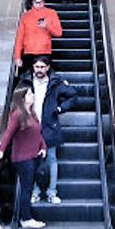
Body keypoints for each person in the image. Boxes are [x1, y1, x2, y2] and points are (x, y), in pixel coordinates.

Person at [17, 55, 77, 204]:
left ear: (48, 68)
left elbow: (73, 95)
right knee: (32, 161)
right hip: (30, 126)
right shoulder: (26, 81)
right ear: (33, 67)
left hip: (49, 126)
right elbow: (16, 98)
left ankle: (51, 192)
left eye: (42, 67)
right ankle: (35, 192)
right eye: (37, 67)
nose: (39, 70)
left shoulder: (55, 82)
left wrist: (60, 108)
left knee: (51, 160)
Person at [0, 86, 47, 229]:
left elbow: (37, 133)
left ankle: (25, 217)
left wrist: (43, 147)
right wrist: (1, 150)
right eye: (29, 94)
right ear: (22, 99)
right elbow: (8, 133)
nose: (33, 95)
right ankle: (26, 218)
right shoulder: (17, 114)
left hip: (33, 157)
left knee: (27, 188)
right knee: (26, 189)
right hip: (23, 159)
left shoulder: (31, 113)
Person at [14, 0, 62, 72]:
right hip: (29, 53)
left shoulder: (51, 13)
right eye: (37, 2)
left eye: (41, 2)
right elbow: (20, 37)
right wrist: (17, 56)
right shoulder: (25, 16)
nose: (39, 5)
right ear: (32, 2)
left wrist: (47, 26)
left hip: (44, 52)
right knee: (28, 77)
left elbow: (59, 33)